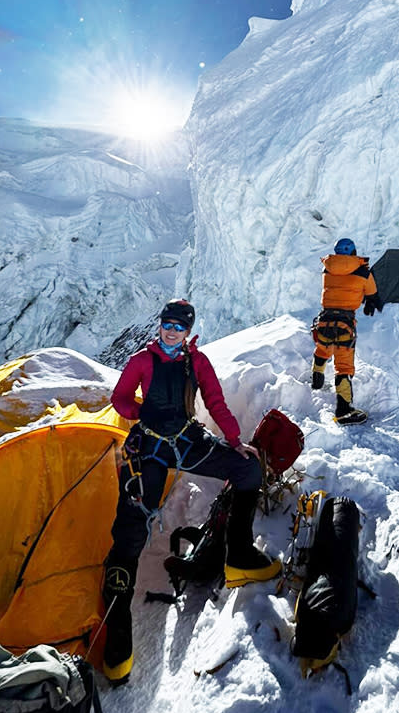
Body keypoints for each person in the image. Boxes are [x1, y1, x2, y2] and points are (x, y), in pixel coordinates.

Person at [102, 298, 280, 684]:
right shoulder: (141, 361)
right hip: (149, 448)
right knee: (131, 528)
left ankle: (240, 556)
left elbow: (215, 401)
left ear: (188, 330)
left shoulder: (196, 362)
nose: (171, 331)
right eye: (167, 324)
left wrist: (234, 440)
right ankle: (116, 640)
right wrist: (139, 413)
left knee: (248, 469)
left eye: (179, 327)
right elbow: (119, 399)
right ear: (160, 325)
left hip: (185, 442)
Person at [311, 238, 377, 425]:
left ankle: (316, 379)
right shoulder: (363, 271)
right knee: (344, 367)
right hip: (345, 323)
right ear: (353, 252)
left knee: (323, 347)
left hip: (325, 320)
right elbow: (371, 292)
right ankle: (344, 411)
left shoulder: (328, 268)